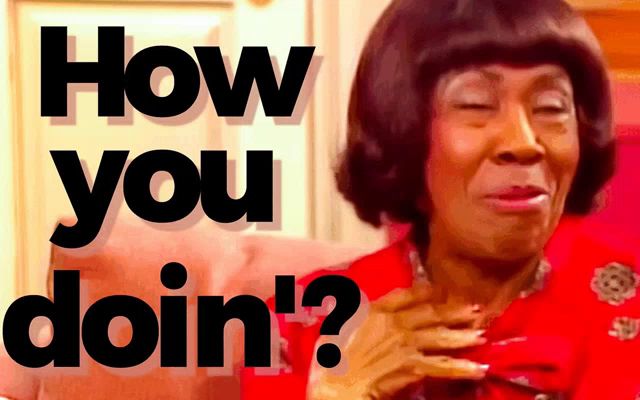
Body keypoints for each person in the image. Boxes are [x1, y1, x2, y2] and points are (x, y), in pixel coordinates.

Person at [242, 0, 640, 398]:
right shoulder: (294, 325)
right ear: (403, 133)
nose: (523, 143)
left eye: (551, 108)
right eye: (476, 105)